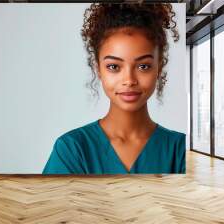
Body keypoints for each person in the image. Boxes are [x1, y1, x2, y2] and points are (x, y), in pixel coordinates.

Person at [42, 2, 185, 174]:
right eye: (114, 67)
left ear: (159, 68)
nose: (129, 80)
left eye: (143, 66)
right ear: (98, 70)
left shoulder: (181, 150)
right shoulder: (72, 149)